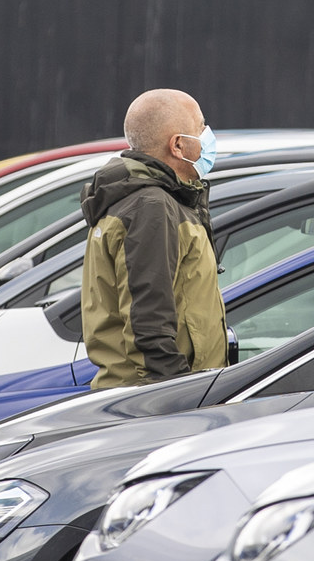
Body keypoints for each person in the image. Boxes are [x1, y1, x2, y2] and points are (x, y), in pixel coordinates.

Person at [79, 88, 227, 388]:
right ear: (178, 145)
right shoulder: (151, 207)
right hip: (154, 405)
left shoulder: (153, 200)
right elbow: (149, 325)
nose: (208, 135)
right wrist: (180, 396)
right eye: (201, 127)